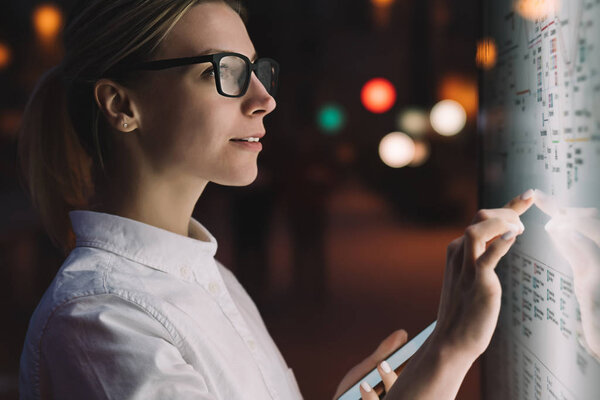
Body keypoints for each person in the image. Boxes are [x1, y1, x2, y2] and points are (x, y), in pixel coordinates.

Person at [16, 0, 535, 399]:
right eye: (223, 71)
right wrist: (448, 353)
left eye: (256, 70)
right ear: (120, 104)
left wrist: (446, 348)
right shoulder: (101, 320)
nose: (265, 100)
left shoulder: (208, 277)